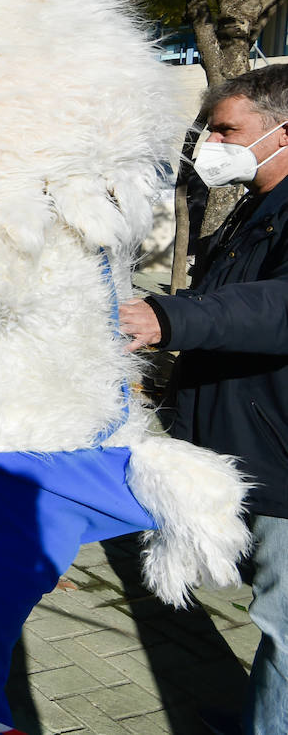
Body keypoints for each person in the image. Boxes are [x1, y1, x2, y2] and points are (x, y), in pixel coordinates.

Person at [119, 65, 288, 735]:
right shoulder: (253, 209)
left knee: (283, 627)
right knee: (266, 615)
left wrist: (170, 318)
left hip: (281, 462)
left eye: (226, 130)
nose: (209, 144)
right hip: (243, 447)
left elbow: (272, 307)